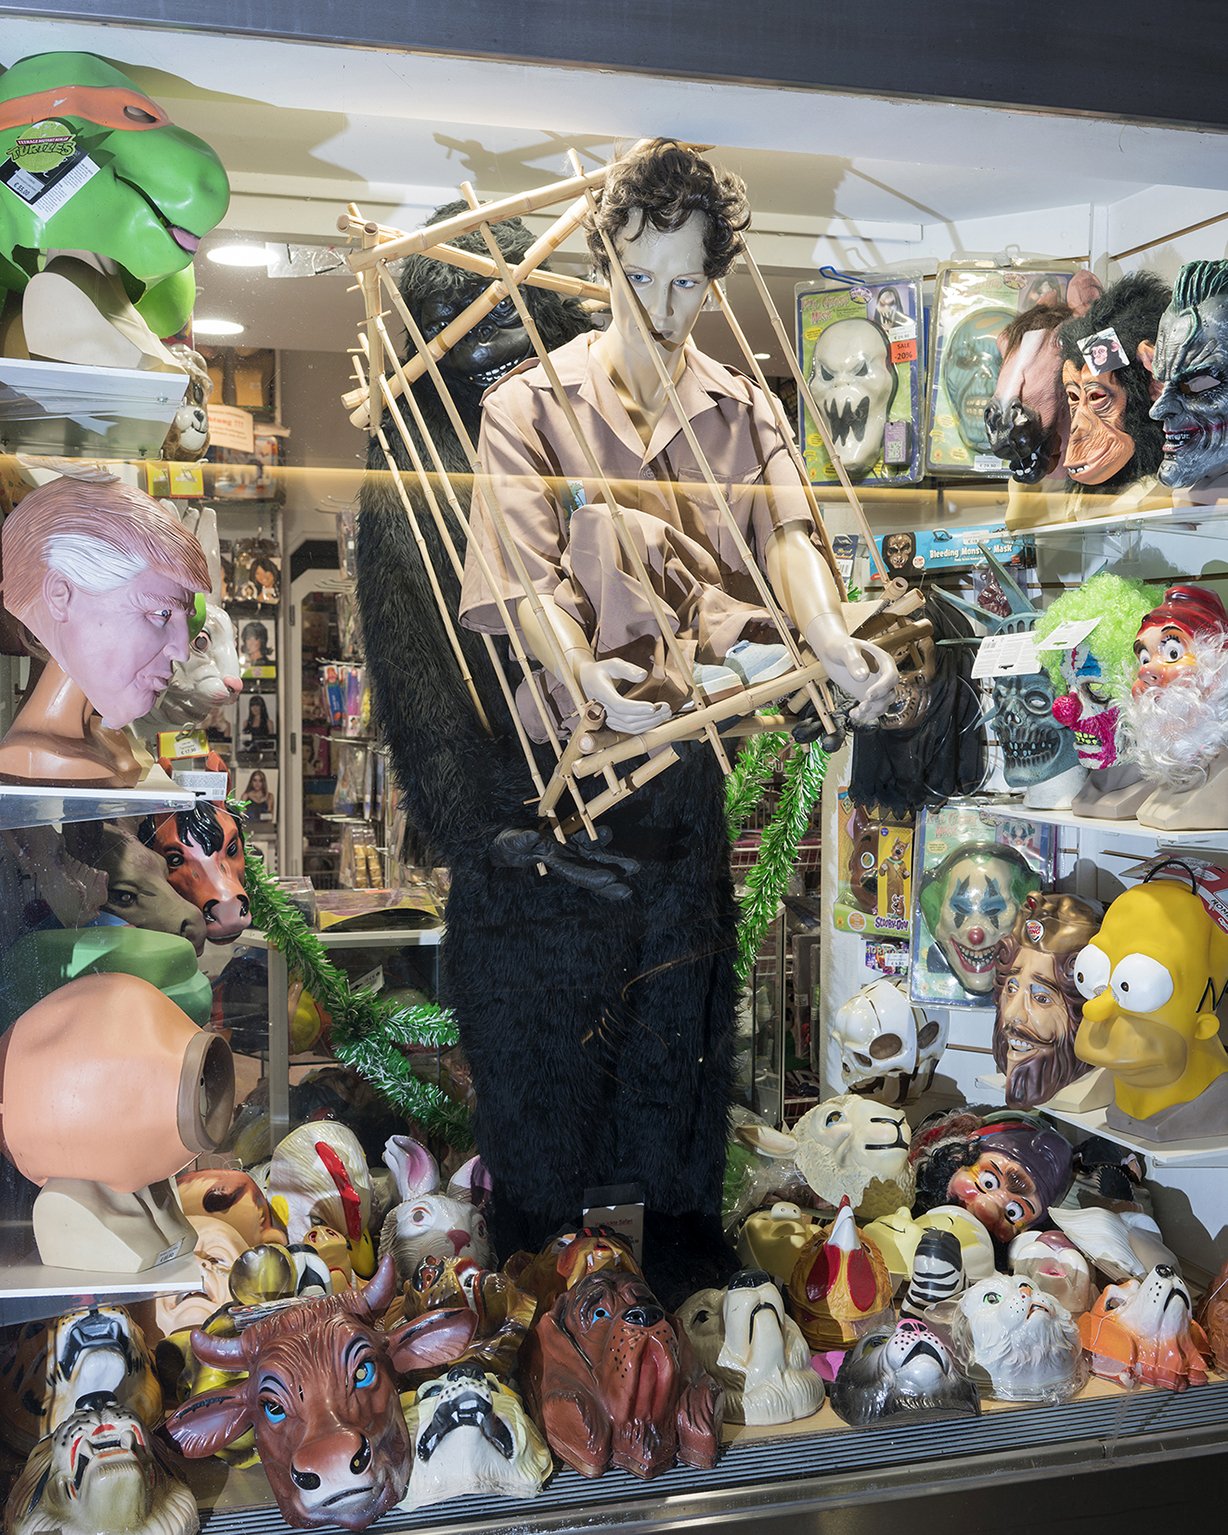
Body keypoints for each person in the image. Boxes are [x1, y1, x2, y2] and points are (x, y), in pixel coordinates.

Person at [459, 139, 897, 742]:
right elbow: (524, 586)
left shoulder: (748, 410)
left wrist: (830, 634)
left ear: (711, 285)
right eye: (638, 277)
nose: (657, 308)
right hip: (608, 721)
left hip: (734, 719)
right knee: (604, 529)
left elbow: (788, 539)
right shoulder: (525, 408)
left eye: (685, 282)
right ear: (605, 267)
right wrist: (579, 668)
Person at [0, 474, 209, 784]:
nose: (181, 650)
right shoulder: (30, 757)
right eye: (162, 613)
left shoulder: (110, 740)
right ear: (60, 596)